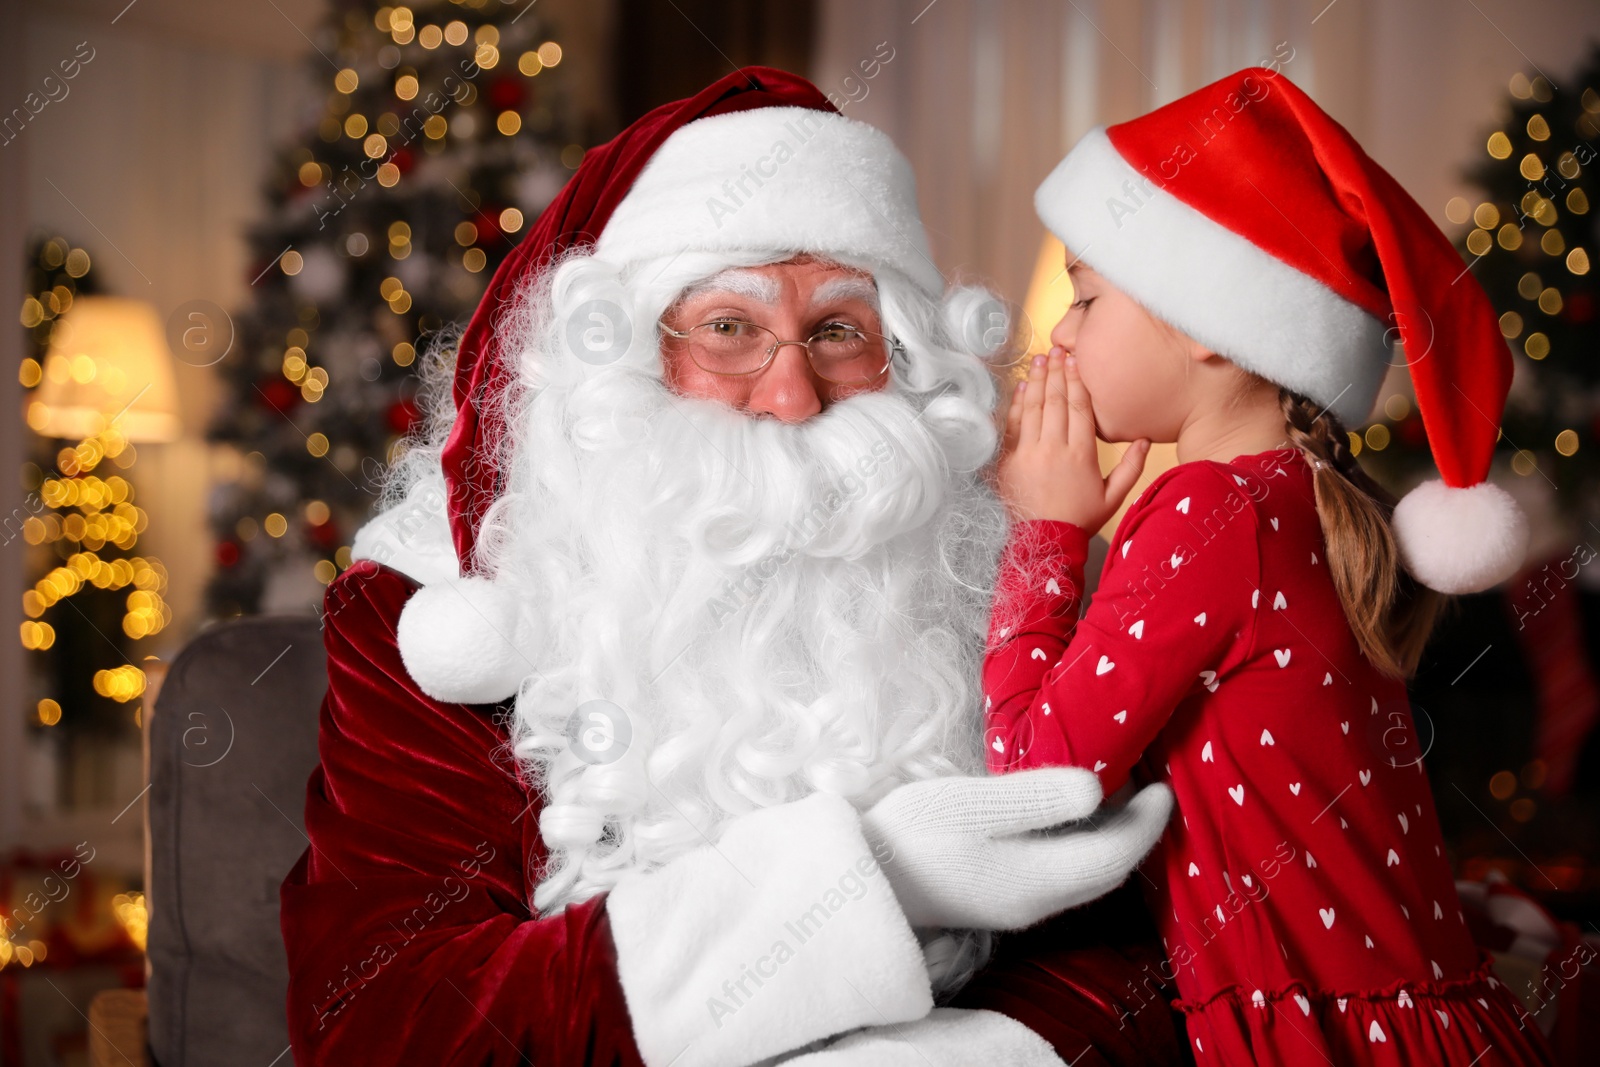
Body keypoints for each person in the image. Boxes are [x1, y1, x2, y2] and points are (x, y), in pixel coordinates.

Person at [279, 67, 1179, 1066]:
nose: (792, 394)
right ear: (614, 357)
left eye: (838, 330)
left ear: (907, 360)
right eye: (728, 328)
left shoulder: (1008, 581)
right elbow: (387, 1022)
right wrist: (870, 881)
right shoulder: (431, 613)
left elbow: (1148, 961)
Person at [981, 66, 1555, 1065]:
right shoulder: (1292, 502)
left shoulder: (1208, 512)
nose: (1059, 338)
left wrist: (1043, 536)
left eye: (1083, 297)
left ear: (1204, 325)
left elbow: (1035, 781)